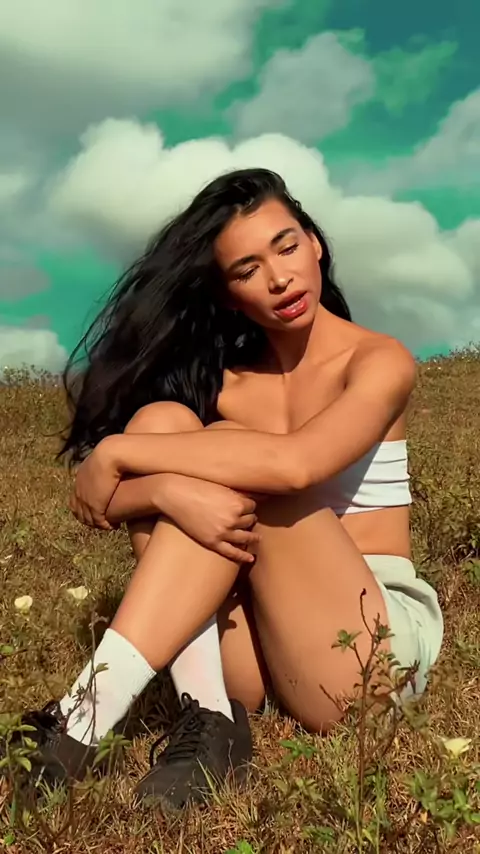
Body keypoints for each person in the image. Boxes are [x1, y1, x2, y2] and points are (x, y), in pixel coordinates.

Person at [6, 168, 443, 811]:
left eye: (286, 247)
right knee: (163, 423)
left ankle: (84, 716)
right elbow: (109, 504)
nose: (279, 278)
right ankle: (212, 720)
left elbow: (296, 467)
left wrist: (120, 453)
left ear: (315, 243)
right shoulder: (228, 385)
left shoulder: (378, 361)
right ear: (229, 295)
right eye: (247, 270)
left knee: (240, 466)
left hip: (366, 645)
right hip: (260, 651)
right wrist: (168, 494)